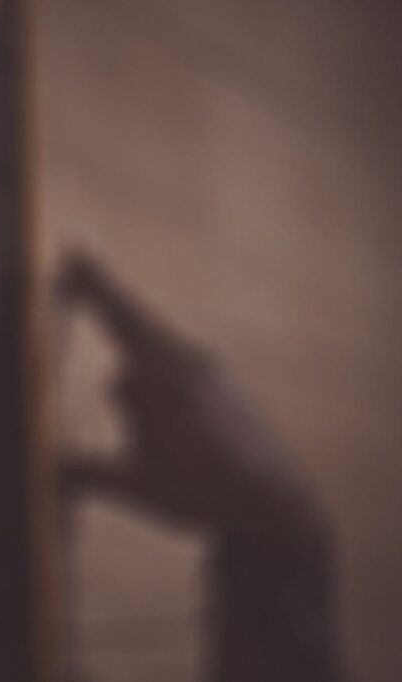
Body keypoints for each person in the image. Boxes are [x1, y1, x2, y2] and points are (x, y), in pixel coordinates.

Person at [57, 254, 344, 682]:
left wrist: (88, 475)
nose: (130, 433)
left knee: (281, 660)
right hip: (271, 536)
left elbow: (153, 492)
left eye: (134, 418)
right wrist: (95, 286)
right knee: (264, 658)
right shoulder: (189, 394)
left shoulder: (195, 415)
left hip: (283, 543)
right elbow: (135, 330)